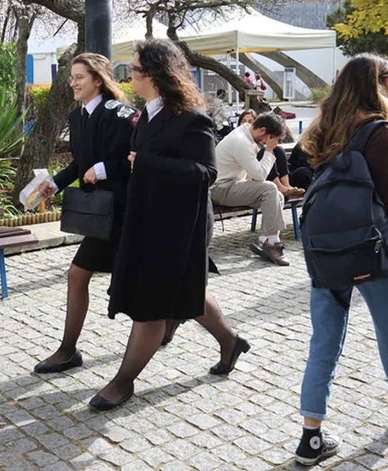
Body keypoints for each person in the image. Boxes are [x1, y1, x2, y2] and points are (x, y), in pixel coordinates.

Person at [293, 53, 388, 466]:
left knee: (323, 341)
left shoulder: (326, 128)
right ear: (376, 85)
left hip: (326, 252)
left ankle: (311, 437)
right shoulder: (379, 130)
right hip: (373, 249)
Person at [90, 39, 249, 411]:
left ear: (156, 75)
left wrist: (145, 162)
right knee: (187, 292)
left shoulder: (193, 118)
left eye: (134, 70)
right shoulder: (148, 113)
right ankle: (230, 341)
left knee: (152, 306)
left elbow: (206, 173)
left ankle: (123, 381)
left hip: (181, 226)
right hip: (149, 218)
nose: (129, 76)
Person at [32, 53, 136, 374]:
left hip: (125, 213)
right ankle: (67, 350)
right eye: (72, 77)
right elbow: (80, 164)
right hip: (101, 218)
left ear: (97, 80)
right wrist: (53, 185)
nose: (73, 83)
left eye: (79, 77)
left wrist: (103, 169)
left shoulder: (121, 115)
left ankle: (224, 338)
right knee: (78, 275)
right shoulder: (76, 118)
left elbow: (137, 158)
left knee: (152, 282)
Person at [211, 112, 291, 266]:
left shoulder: (246, 132)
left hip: (231, 184)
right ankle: (273, 244)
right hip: (220, 188)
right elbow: (260, 176)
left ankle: (263, 240)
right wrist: (268, 150)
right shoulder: (241, 141)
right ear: (263, 131)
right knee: (269, 188)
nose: (273, 143)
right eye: (272, 139)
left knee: (277, 196)